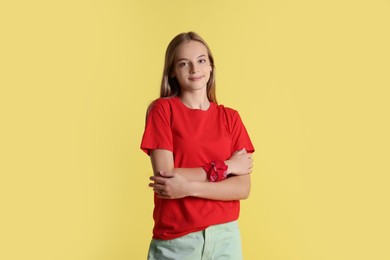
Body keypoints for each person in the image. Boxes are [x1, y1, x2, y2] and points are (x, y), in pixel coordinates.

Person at [140, 31, 255, 260]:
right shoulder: (163, 111)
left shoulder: (230, 118)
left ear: (211, 66)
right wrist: (227, 167)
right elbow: (167, 177)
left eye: (201, 60)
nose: (195, 69)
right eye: (184, 64)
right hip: (177, 241)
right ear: (173, 71)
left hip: (225, 237)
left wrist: (189, 188)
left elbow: (242, 188)